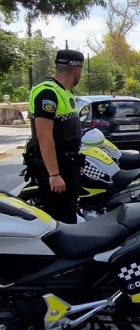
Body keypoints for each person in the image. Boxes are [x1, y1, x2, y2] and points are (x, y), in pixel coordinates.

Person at [24, 49, 85, 223]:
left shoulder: (64, 92)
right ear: (77, 71)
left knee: (69, 215)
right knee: (60, 221)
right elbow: (44, 136)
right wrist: (54, 174)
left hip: (67, 166)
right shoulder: (47, 92)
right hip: (55, 170)